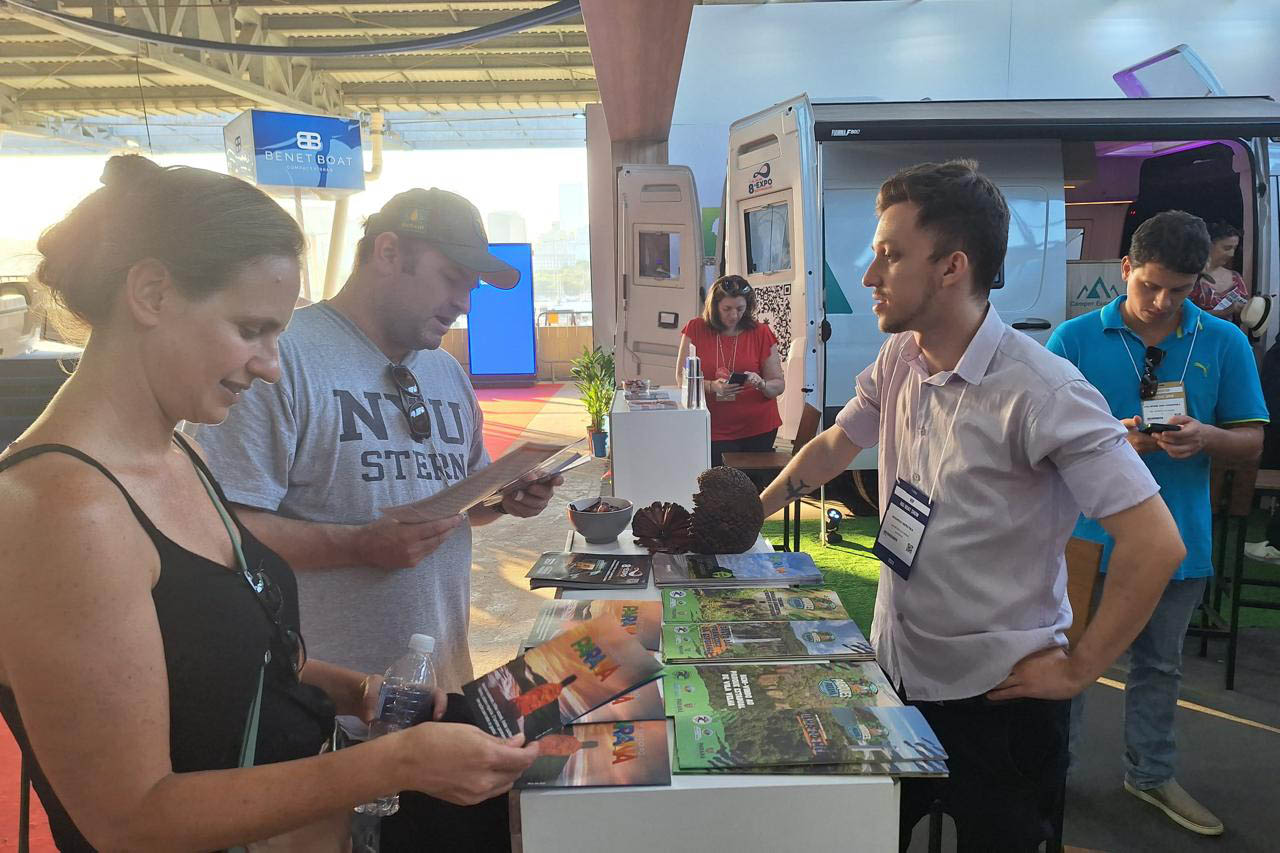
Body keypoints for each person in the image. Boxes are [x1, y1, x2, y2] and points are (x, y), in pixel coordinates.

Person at [0, 157, 537, 852]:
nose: (271, 363)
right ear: (152, 293)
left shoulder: (176, 454)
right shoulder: (63, 510)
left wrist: (356, 691)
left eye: (276, 333)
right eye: (251, 328)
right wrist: (394, 762)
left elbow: (223, 652)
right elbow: (130, 818)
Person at [757, 160, 1186, 851]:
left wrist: (1079, 669)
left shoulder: (1043, 391)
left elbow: (1155, 541)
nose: (869, 276)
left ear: (952, 267)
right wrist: (756, 512)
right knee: (867, 835)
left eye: (891, 255)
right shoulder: (900, 358)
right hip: (897, 671)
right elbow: (838, 441)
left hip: (999, 698)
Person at [197, 186, 561, 851]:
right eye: (453, 276)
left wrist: (504, 499)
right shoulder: (279, 361)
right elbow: (221, 532)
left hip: (438, 700)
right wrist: (357, 544)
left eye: (473, 284)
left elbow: (453, 504)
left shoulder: (446, 372)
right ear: (388, 252)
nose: (465, 300)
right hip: (321, 723)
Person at [1050, 210, 1266, 836]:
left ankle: (1151, 774)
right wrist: (1111, 440)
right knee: (1068, 659)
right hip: (1085, 538)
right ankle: (1052, 775)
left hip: (1178, 539)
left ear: (1200, 280)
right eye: (1150, 285)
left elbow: (1251, 443)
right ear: (1125, 269)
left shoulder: (1223, 342)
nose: (1163, 301)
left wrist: (1206, 437)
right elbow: (1034, 442)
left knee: (1161, 666)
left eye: (1180, 288)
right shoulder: (1073, 339)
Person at [675, 274, 785, 467]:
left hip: (757, 428)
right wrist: (712, 386)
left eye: (740, 309)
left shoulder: (761, 332)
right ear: (714, 306)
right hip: (712, 427)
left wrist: (761, 384)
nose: (734, 315)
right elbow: (681, 378)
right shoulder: (696, 328)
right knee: (717, 480)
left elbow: (778, 385)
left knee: (751, 482)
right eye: (727, 309)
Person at [1190, 221, 1248, 321]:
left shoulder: (1236, 278)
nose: (1231, 254)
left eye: (1234, 248)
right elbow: (1183, 314)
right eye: (1227, 248)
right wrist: (1224, 312)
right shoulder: (1191, 276)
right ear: (1209, 245)